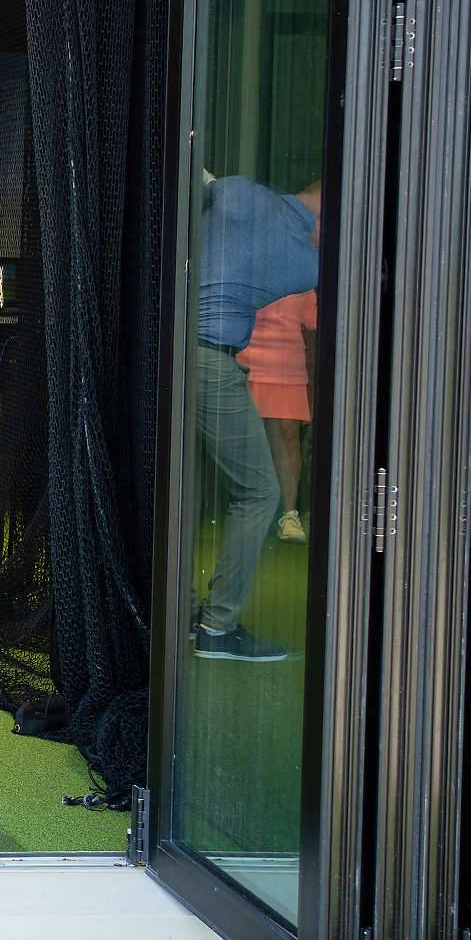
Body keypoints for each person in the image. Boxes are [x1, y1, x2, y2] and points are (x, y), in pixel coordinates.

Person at [193, 173, 321, 662]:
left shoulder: (244, 193)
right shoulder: (305, 259)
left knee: (189, 487)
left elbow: (205, 182)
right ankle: (217, 629)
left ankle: (184, 615)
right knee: (260, 491)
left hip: (178, 353)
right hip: (208, 359)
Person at [236, 289, 318, 545]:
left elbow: (314, 319)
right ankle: (246, 515)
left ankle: (289, 515)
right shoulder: (249, 264)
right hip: (247, 363)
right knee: (244, 444)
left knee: (289, 438)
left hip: (288, 364)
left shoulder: (301, 268)